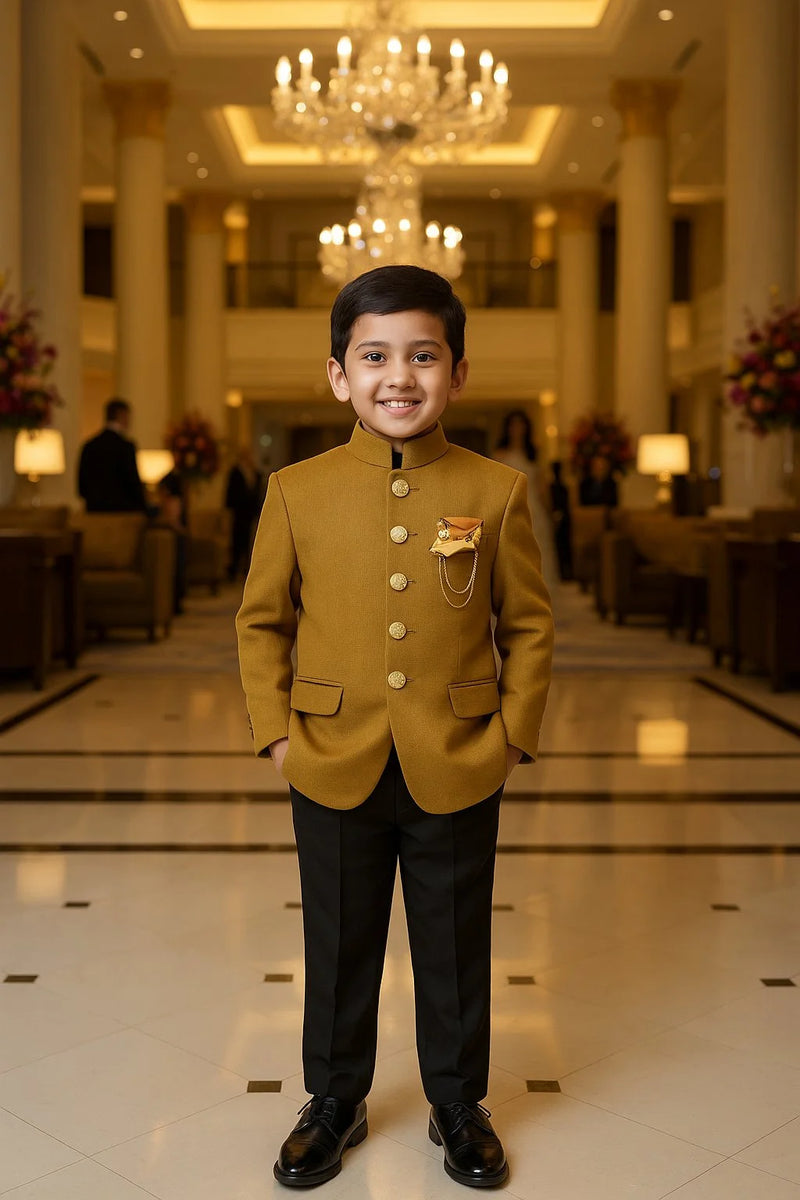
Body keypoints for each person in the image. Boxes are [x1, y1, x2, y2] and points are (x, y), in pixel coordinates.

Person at [236, 265, 553, 1191]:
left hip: (457, 753)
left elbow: (527, 624)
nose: (399, 376)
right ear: (339, 375)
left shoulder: (495, 489)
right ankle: (333, 1100)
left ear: (458, 371)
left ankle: (459, 1103)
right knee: (338, 938)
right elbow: (261, 621)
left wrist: (512, 738)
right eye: (374, 357)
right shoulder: (296, 489)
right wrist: (278, 737)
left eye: (423, 355)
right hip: (330, 753)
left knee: (453, 935)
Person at [493, 409, 560, 601]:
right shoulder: (500, 454)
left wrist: (550, 511)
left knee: (539, 550)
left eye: (521, 425)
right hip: (510, 505)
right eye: (514, 425)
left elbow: (542, 486)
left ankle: (542, 597)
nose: (517, 430)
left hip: (534, 508)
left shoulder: (534, 454)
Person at [77, 397, 146, 513]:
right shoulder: (125, 447)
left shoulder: (89, 446)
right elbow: (133, 483)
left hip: (94, 512)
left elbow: (81, 486)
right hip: (122, 513)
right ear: (122, 415)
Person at [225, 446, 263, 580]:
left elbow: (258, 492)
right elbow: (230, 493)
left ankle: (248, 571)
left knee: (250, 543)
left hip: (251, 513)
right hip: (239, 512)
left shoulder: (255, 473)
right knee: (237, 542)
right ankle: (234, 571)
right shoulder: (235, 472)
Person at [549, 460, 573, 580]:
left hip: (563, 519)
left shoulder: (560, 487)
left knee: (563, 546)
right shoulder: (558, 487)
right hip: (560, 518)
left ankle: (565, 571)